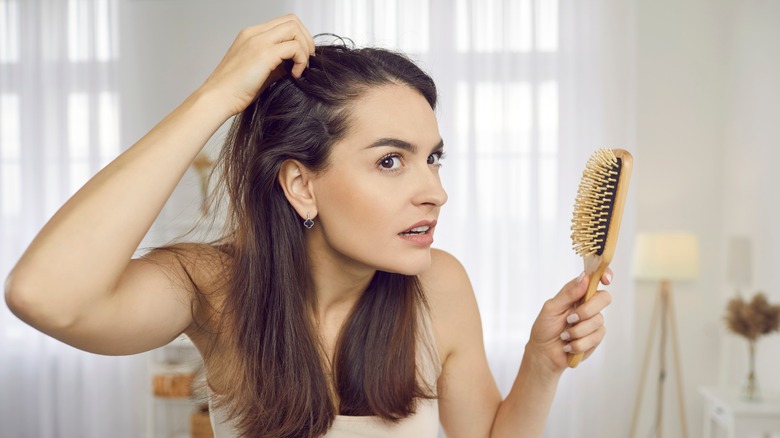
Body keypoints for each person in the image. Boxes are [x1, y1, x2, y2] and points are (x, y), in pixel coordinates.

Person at [4, 14, 612, 438]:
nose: (435, 192)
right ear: (301, 185)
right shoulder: (212, 287)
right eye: (390, 161)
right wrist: (217, 96)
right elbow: (45, 296)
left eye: (433, 158)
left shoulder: (439, 284)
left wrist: (540, 363)